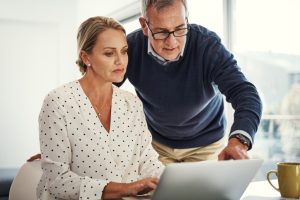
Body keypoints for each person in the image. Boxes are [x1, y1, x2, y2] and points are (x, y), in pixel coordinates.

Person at [117, 0, 262, 163]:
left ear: (186, 19)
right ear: (144, 26)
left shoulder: (208, 46)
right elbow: (101, 89)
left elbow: (245, 94)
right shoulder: (130, 49)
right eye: (161, 32)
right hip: (155, 145)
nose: (172, 42)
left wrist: (239, 141)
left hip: (207, 145)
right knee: (157, 190)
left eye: (179, 29)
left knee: (204, 190)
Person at [36, 16, 164, 200]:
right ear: (86, 57)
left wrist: (170, 182)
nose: (121, 61)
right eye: (109, 53)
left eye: (124, 51)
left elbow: (147, 160)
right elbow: (57, 180)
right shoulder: (58, 102)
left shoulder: (131, 103)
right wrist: (126, 188)